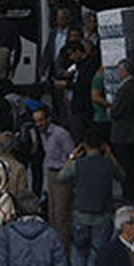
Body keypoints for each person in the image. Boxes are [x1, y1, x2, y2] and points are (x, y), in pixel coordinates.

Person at [58, 132, 124, 266]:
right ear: (102, 146)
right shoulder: (107, 164)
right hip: (102, 216)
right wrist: (110, 154)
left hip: (81, 215)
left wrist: (72, 157)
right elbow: (122, 176)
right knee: (97, 257)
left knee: (79, 256)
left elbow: (61, 177)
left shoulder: (78, 165)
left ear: (84, 146)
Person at [33, 105, 75, 250]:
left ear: (48, 119)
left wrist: (66, 171)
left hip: (62, 173)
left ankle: (64, 249)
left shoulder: (61, 134)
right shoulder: (42, 133)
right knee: (52, 213)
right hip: (51, 173)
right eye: (36, 121)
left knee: (61, 214)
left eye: (41, 120)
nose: (39, 124)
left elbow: (73, 155)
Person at [111, 59, 134, 203]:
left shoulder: (125, 89)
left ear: (125, 71)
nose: (118, 73)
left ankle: (128, 193)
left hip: (123, 132)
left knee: (125, 164)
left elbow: (116, 111)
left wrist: (112, 108)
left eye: (120, 70)